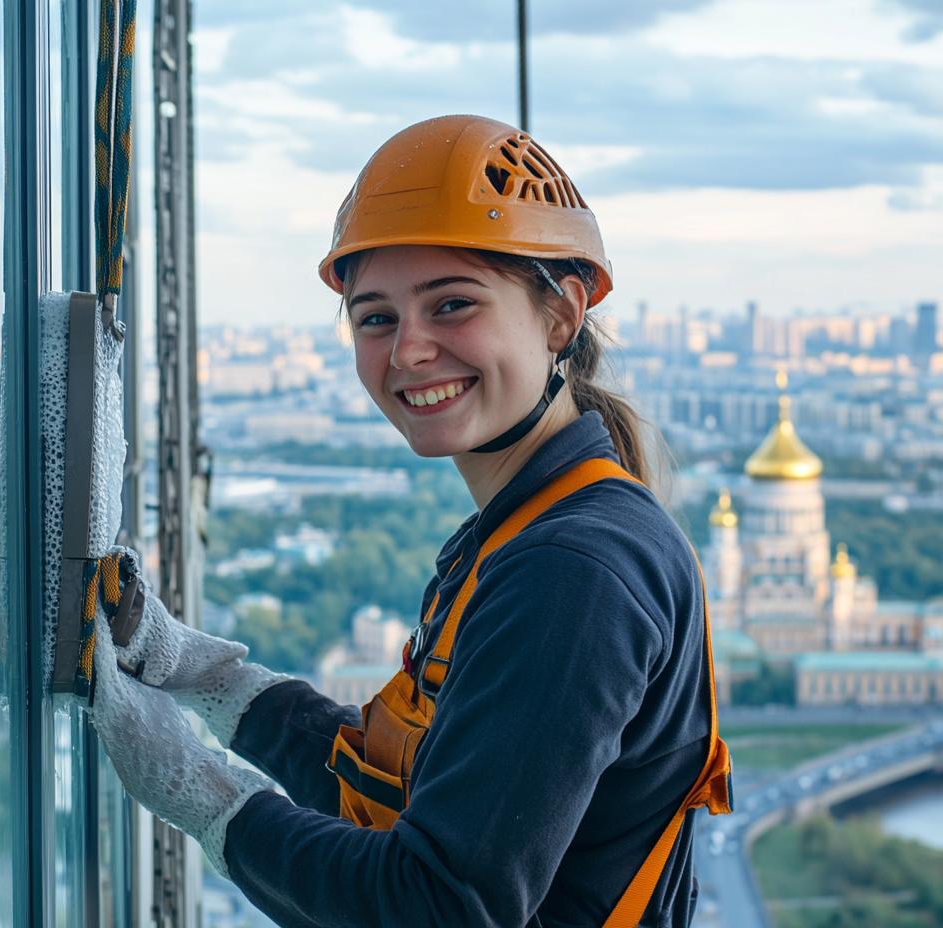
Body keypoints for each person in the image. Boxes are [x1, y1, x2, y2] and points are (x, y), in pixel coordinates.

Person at [89, 114, 731, 928]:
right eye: (376, 317)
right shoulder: (529, 530)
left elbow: (438, 902)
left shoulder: (573, 568)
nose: (408, 352)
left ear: (561, 315)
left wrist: (212, 801)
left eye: (453, 305)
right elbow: (407, 786)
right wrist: (206, 677)